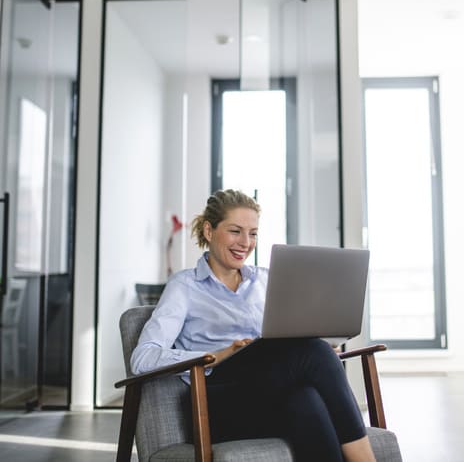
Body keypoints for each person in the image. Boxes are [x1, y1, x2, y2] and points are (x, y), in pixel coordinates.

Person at [130, 189, 376, 462]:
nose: (245, 243)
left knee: (307, 400)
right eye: (235, 231)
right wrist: (219, 355)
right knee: (316, 354)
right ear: (209, 231)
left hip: (270, 394)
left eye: (253, 233)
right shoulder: (184, 286)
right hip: (216, 403)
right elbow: (143, 358)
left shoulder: (266, 280)